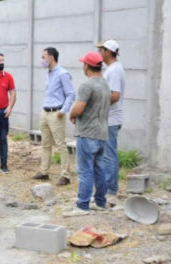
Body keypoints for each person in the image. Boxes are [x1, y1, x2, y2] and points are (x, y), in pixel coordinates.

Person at [65, 52, 110, 215]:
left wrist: (71, 114)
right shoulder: (105, 84)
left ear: (86, 66)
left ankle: (82, 205)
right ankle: (100, 202)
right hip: (102, 133)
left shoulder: (87, 86)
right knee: (99, 169)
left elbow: (78, 108)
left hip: (87, 133)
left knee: (85, 171)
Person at [33, 47, 76, 186]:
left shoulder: (63, 74)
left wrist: (63, 111)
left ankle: (65, 175)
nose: (42, 60)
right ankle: (44, 172)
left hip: (56, 113)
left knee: (60, 144)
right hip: (45, 112)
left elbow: (71, 94)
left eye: (43, 57)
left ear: (51, 57)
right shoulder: (49, 73)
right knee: (45, 144)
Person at [97, 40, 126, 202]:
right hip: (108, 118)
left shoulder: (114, 70)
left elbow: (114, 95)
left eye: (101, 50)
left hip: (111, 118)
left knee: (109, 155)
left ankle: (111, 190)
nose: (100, 53)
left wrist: (96, 100)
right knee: (106, 154)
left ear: (108, 52)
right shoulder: (112, 69)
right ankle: (108, 187)